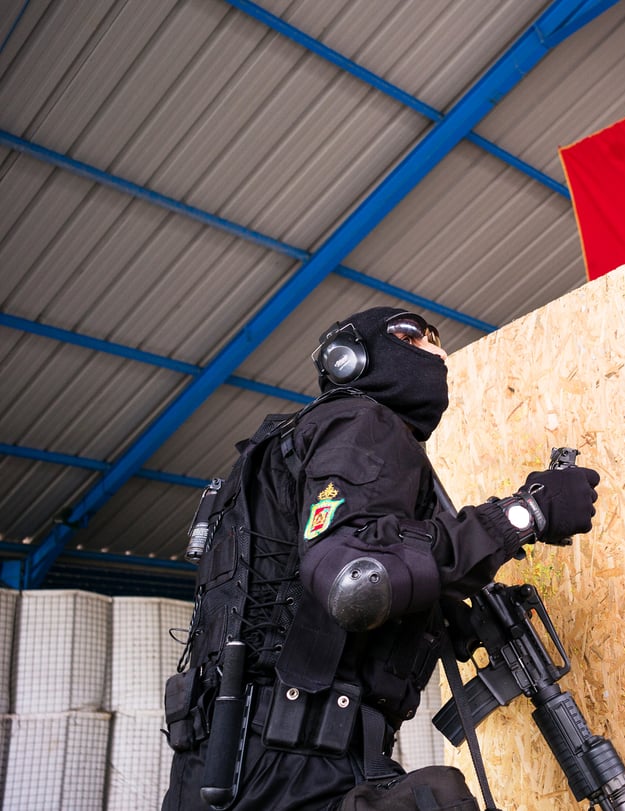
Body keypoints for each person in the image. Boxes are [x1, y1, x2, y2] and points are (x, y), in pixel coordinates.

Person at [162, 306, 601, 810]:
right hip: (296, 769)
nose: (436, 349)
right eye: (412, 334)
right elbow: (357, 582)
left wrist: (445, 616)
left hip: (220, 769)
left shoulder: (289, 451)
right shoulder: (360, 420)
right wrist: (526, 514)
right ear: (347, 357)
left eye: (438, 339)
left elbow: (308, 605)